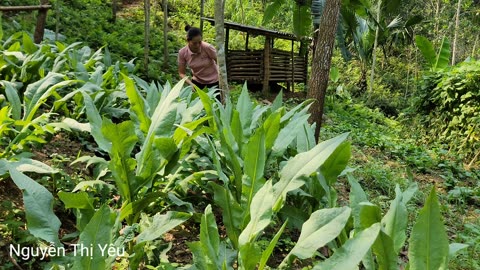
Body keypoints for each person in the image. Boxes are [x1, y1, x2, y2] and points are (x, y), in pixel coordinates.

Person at [178, 25, 219, 91]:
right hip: (197, 82)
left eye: (199, 42)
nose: (197, 45)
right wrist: (191, 84)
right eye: (194, 43)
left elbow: (220, 62)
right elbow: (181, 73)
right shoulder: (182, 53)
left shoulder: (207, 48)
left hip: (214, 82)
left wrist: (220, 77)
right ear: (188, 41)